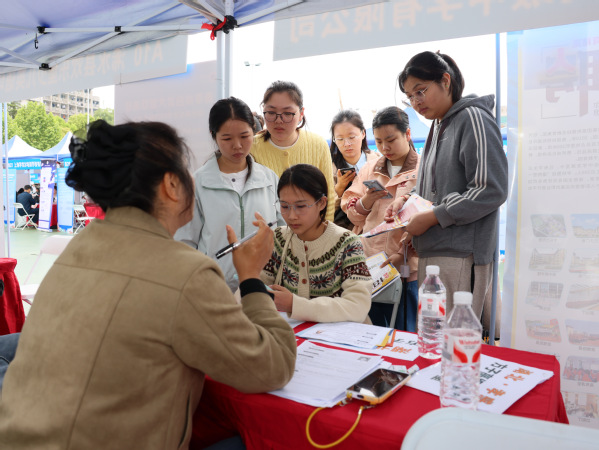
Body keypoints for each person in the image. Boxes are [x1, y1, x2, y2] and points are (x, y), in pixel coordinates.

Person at [0, 120, 296, 449]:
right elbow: (273, 366)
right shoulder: (186, 273)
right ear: (171, 185)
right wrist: (251, 278)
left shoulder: (76, 250)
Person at [386, 51, 508, 328]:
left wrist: (432, 217)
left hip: (462, 254)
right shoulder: (439, 124)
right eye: (410, 96)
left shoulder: (472, 117)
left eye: (421, 91)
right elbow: (434, 188)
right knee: (436, 339)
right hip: (437, 252)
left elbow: (491, 188)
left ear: (445, 80)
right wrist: (407, 204)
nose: (416, 102)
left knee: (454, 341)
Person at [175, 97, 282, 292]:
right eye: (227, 138)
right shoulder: (197, 184)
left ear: (254, 131)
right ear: (213, 136)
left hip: (263, 287)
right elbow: (184, 243)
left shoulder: (269, 180)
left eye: (244, 136)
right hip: (212, 289)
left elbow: (283, 234)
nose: (237, 145)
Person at [261, 164, 372, 323]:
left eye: (300, 206)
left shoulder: (347, 243)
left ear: (321, 203)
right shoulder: (278, 238)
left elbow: (357, 306)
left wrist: (294, 305)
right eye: (284, 206)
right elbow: (255, 290)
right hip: (293, 334)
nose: (291, 216)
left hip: (340, 336)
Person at [341, 107, 419, 331]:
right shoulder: (370, 168)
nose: (385, 147)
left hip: (406, 268)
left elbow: (427, 215)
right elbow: (351, 212)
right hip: (370, 265)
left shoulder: (423, 168)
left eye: (391, 140)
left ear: (407, 134)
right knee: (369, 330)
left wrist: (402, 255)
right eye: (378, 141)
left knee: (404, 332)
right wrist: (366, 200)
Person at [251, 80, 336, 222]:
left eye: (287, 113)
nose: (279, 120)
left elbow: (329, 196)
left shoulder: (318, 145)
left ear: (301, 113)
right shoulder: (251, 147)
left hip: (312, 231)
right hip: (269, 232)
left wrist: (325, 231)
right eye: (271, 112)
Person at [329, 109, 379, 230]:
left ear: (363, 134)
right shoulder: (329, 167)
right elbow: (323, 209)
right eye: (340, 139)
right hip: (345, 231)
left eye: (351, 137)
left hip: (377, 225)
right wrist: (339, 189)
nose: (347, 144)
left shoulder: (378, 161)